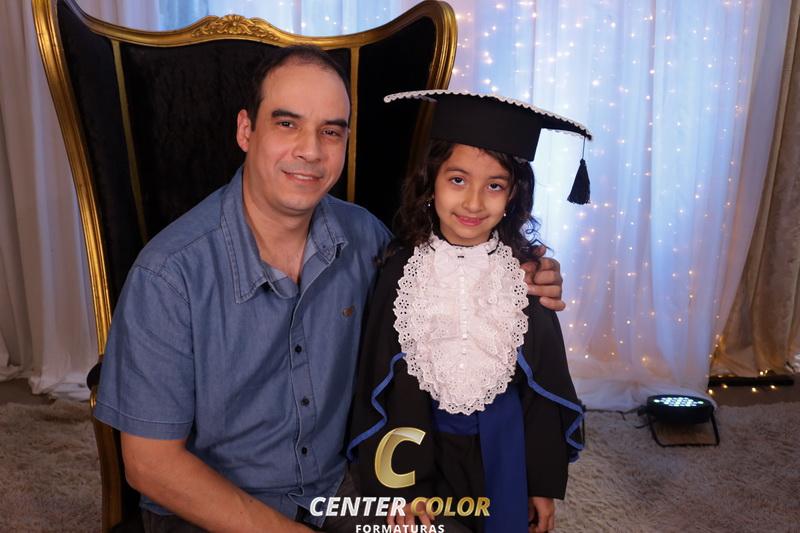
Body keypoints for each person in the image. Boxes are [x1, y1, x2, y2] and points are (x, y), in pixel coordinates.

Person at [94, 46, 566, 532]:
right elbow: (150, 465)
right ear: (245, 130)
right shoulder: (168, 274)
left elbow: (446, 295)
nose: (311, 150)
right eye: (287, 124)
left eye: (331, 131)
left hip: (342, 493)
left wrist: (526, 274)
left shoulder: (368, 240)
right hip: (214, 511)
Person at [347, 91, 590, 533]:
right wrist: (402, 485)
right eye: (457, 180)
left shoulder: (523, 276)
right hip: (421, 442)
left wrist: (540, 481)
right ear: (431, 181)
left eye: (494, 185)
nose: (474, 203)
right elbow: (389, 388)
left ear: (513, 195)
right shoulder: (402, 272)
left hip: (503, 447)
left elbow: (542, 388)